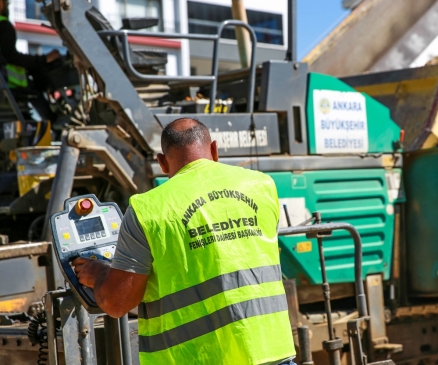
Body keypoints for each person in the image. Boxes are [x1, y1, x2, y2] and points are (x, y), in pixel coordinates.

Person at [72, 118, 296, 365]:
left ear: (162, 162)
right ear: (214, 150)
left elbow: (116, 303)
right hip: (272, 352)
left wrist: (99, 275)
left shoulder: (147, 209)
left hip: (196, 358)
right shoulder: (261, 186)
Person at [0, 0, 60, 121]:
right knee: (37, 85)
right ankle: (52, 121)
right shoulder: (3, 25)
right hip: (9, 84)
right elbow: (11, 57)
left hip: (6, 83)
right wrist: (44, 59)